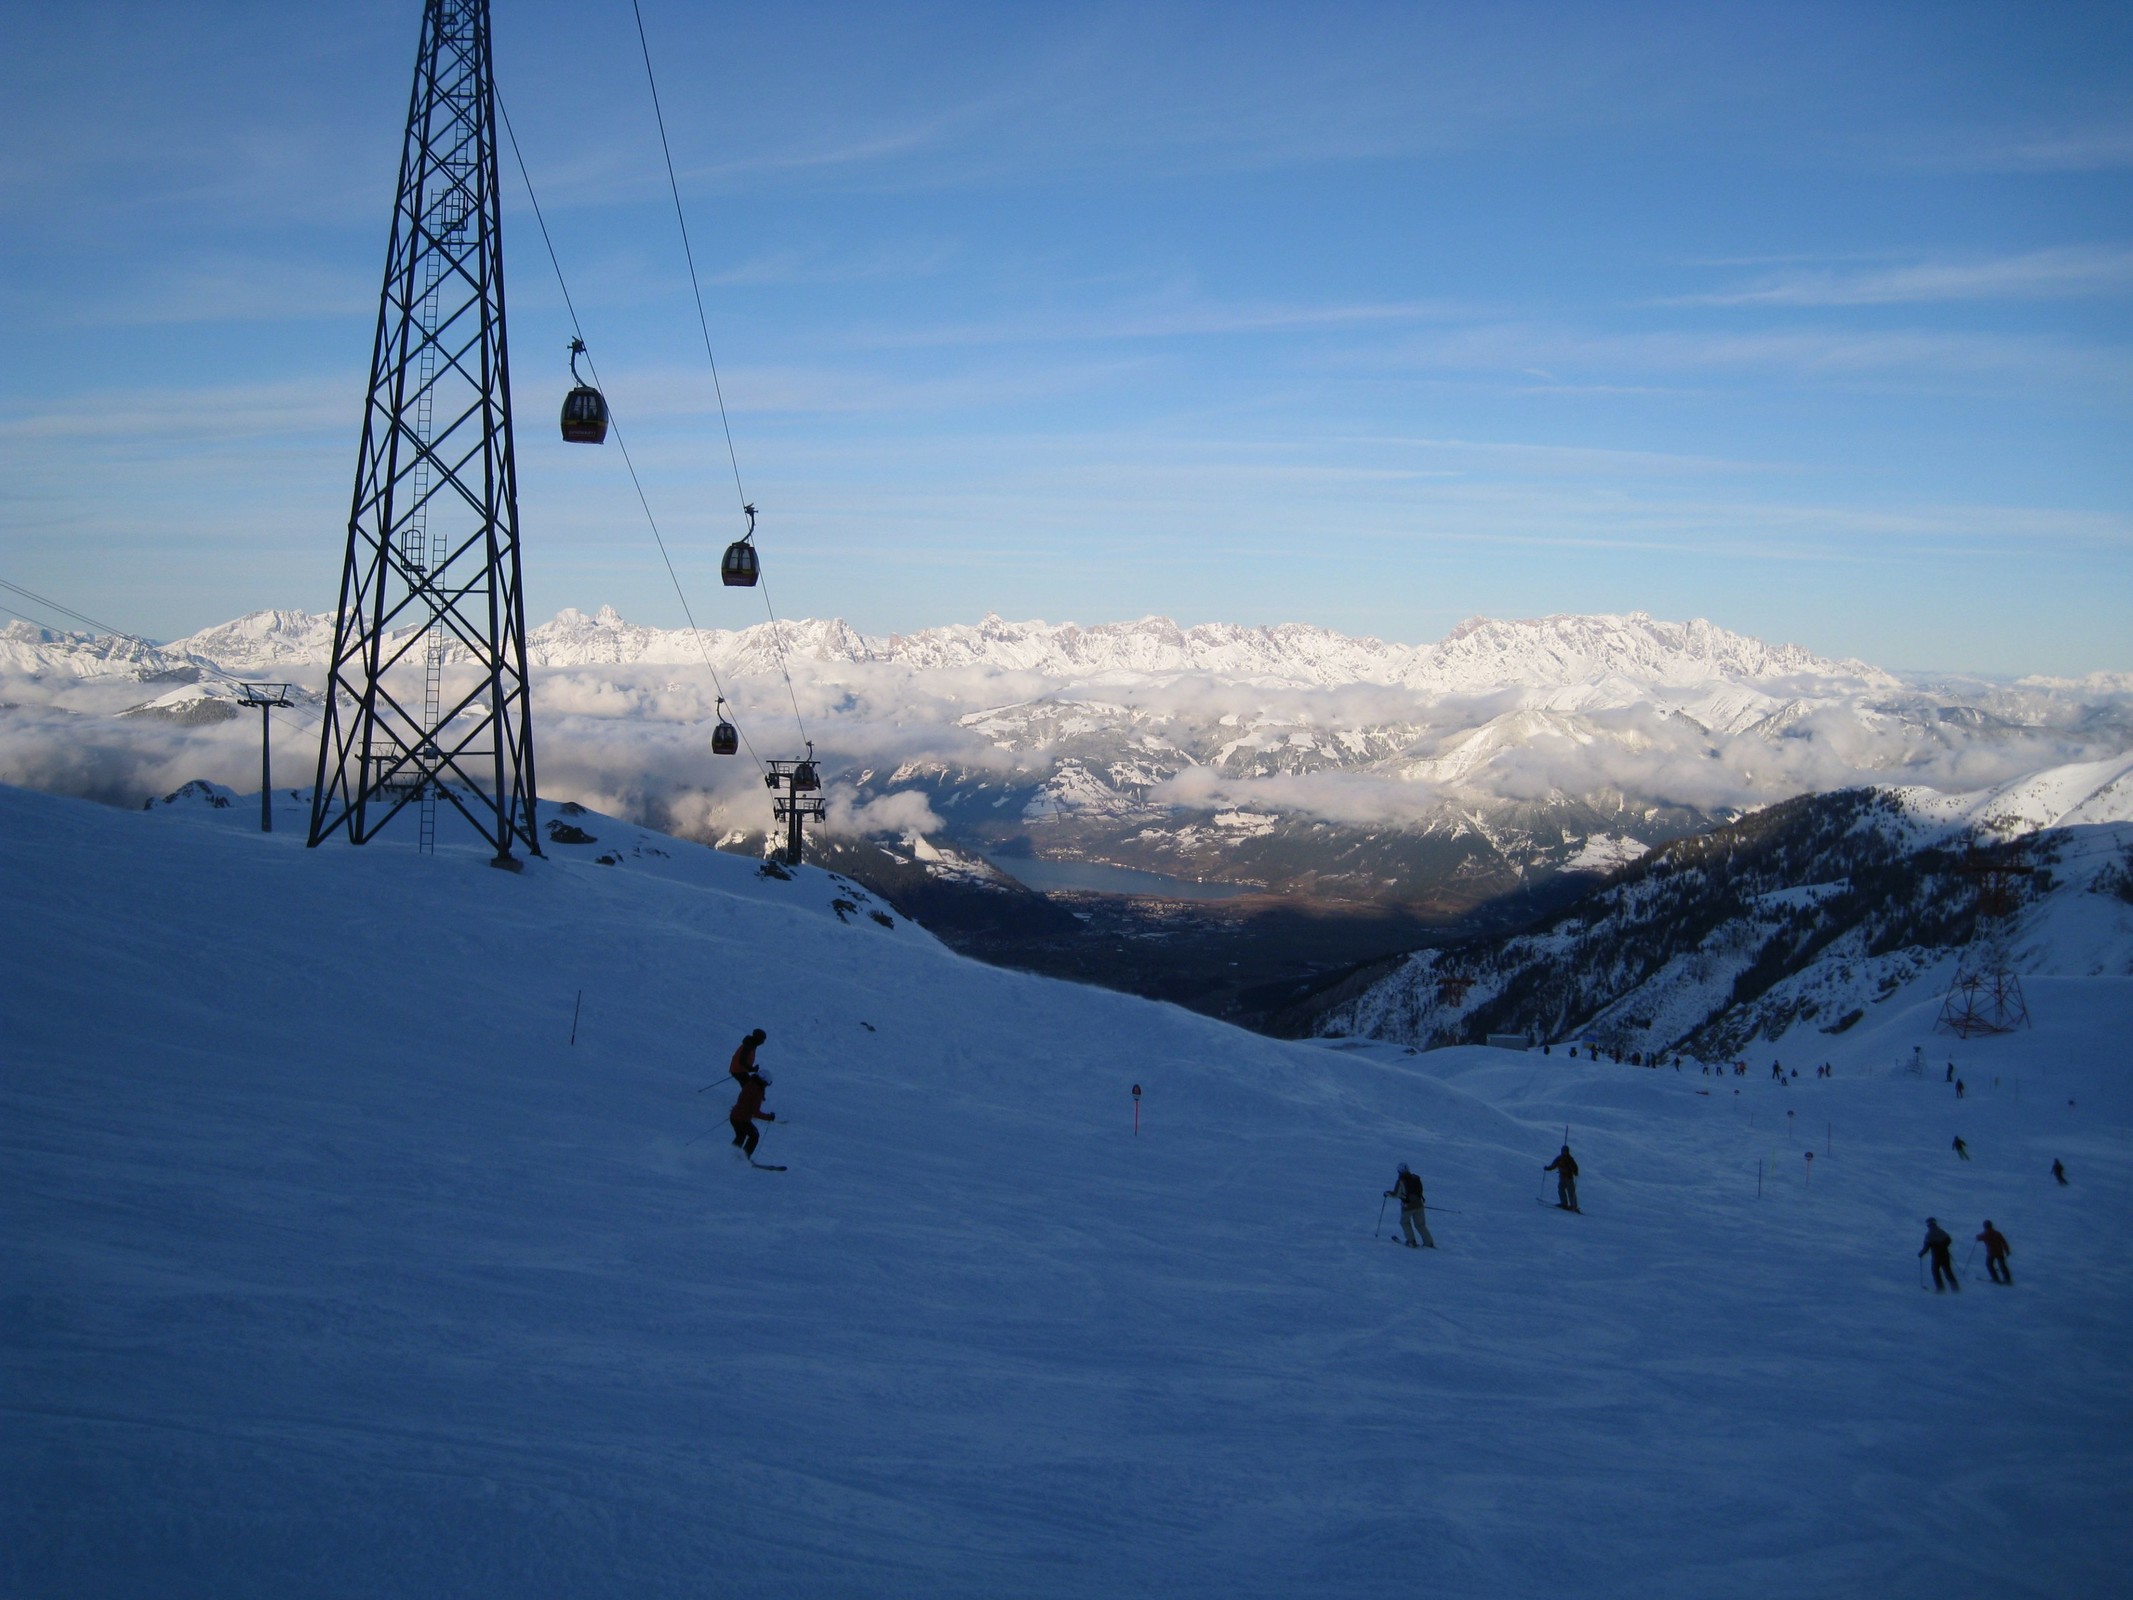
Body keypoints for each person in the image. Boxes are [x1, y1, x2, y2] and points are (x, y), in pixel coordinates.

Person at [729, 1065, 776, 1159]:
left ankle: (732, 1154)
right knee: (754, 1136)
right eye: (766, 1084)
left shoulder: (750, 1083)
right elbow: (755, 1112)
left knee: (741, 1136)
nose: (766, 1086)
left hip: (735, 1116)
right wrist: (768, 1117)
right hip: (742, 1119)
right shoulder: (757, 1091)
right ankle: (743, 1157)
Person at [1385, 1163, 1435, 1249]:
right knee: (1420, 1224)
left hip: (1407, 1207)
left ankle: (1411, 1241)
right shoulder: (1416, 1178)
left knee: (1405, 1222)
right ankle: (1428, 1242)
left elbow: (1396, 1194)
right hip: (1419, 1205)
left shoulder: (1401, 1181)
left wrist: (1387, 1194)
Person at [1919, 1218, 1960, 1292]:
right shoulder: (1941, 1231)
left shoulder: (1929, 1234)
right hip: (1945, 1254)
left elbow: (1926, 1247)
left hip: (1936, 1256)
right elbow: (1948, 1240)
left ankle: (1940, 1288)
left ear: (1928, 1224)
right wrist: (1944, 1246)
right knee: (1948, 1270)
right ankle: (1955, 1288)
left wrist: (1921, 1253)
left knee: (1935, 1271)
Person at [1545, 1144, 1581, 1212]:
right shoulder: (1559, 1158)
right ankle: (1564, 1203)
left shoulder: (1570, 1159)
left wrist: (1575, 1172)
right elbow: (1553, 1165)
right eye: (1563, 1151)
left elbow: (1575, 1167)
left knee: (1571, 1192)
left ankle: (1573, 1206)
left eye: (1566, 1151)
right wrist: (1548, 1168)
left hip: (1569, 1178)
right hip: (1562, 1177)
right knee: (1561, 1189)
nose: (1564, 1152)